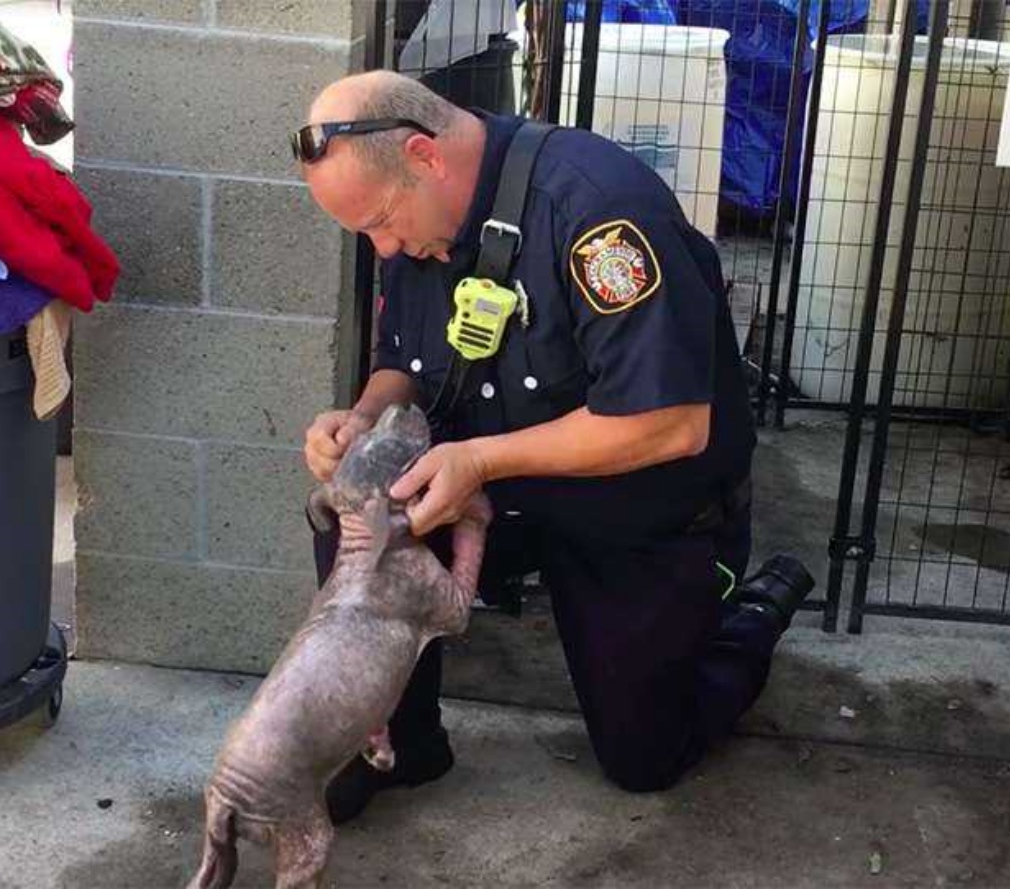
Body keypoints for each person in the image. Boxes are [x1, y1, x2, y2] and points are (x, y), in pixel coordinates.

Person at [293, 71, 814, 824]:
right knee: (358, 510)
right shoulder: (418, 215)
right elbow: (406, 364)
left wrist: (479, 460)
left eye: (380, 221)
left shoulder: (599, 213)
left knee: (645, 758)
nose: (382, 246)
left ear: (424, 155)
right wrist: (361, 415)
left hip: (640, 507)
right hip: (506, 488)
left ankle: (754, 612)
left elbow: (671, 424)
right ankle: (402, 745)